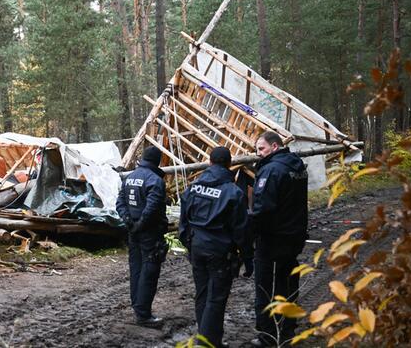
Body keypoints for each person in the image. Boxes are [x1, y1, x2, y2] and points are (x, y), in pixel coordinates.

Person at [179, 147, 253, 348]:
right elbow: (241, 230)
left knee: (202, 293)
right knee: (216, 298)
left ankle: (210, 339)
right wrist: (248, 258)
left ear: (210, 163)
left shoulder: (193, 188)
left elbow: (183, 220)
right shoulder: (233, 192)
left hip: (197, 247)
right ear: (229, 165)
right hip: (219, 251)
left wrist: (188, 243)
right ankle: (207, 343)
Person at [250, 131, 308, 347]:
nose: (258, 154)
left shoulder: (272, 170)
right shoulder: (297, 166)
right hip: (294, 234)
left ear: (275, 147)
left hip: (273, 238)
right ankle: (288, 329)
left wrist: (251, 233)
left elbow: (263, 209)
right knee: (289, 282)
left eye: (261, 149)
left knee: (265, 287)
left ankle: (267, 335)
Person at [116, 145, 169, 328]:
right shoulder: (155, 180)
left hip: (133, 231)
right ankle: (143, 313)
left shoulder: (130, 177)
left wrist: (129, 221)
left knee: (136, 269)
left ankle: (138, 307)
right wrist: (140, 224)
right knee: (149, 271)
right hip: (149, 232)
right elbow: (153, 208)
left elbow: (120, 202)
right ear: (157, 161)